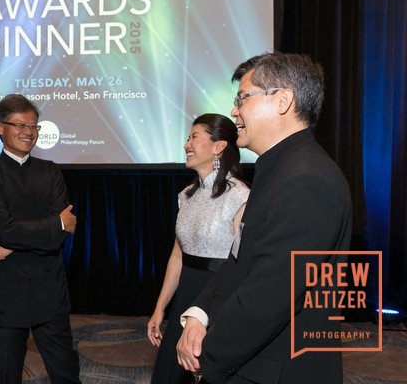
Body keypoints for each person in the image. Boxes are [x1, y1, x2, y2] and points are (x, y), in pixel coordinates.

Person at [176, 52, 352, 384]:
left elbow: (268, 298)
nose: (234, 111)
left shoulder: (308, 181)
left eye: (243, 98)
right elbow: (239, 261)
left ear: (283, 100)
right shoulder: (281, 170)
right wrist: (200, 313)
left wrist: (207, 357)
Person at [0, 93, 81, 384]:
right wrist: (51, 224)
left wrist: (9, 244)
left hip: (49, 290)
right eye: (19, 125)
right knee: (6, 377)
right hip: (4, 293)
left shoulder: (51, 172)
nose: (28, 132)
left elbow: (61, 234)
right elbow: (1, 228)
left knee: (66, 374)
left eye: (33, 126)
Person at [147, 114, 250, 384]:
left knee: (208, 372)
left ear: (218, 147)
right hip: (186, 296)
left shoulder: (240, 196)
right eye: (187, 138)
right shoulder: (186, 195)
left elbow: (243, 263)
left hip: (219, 298)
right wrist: (160, 308)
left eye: (194, 137)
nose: (186, 144)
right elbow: (178, 256)